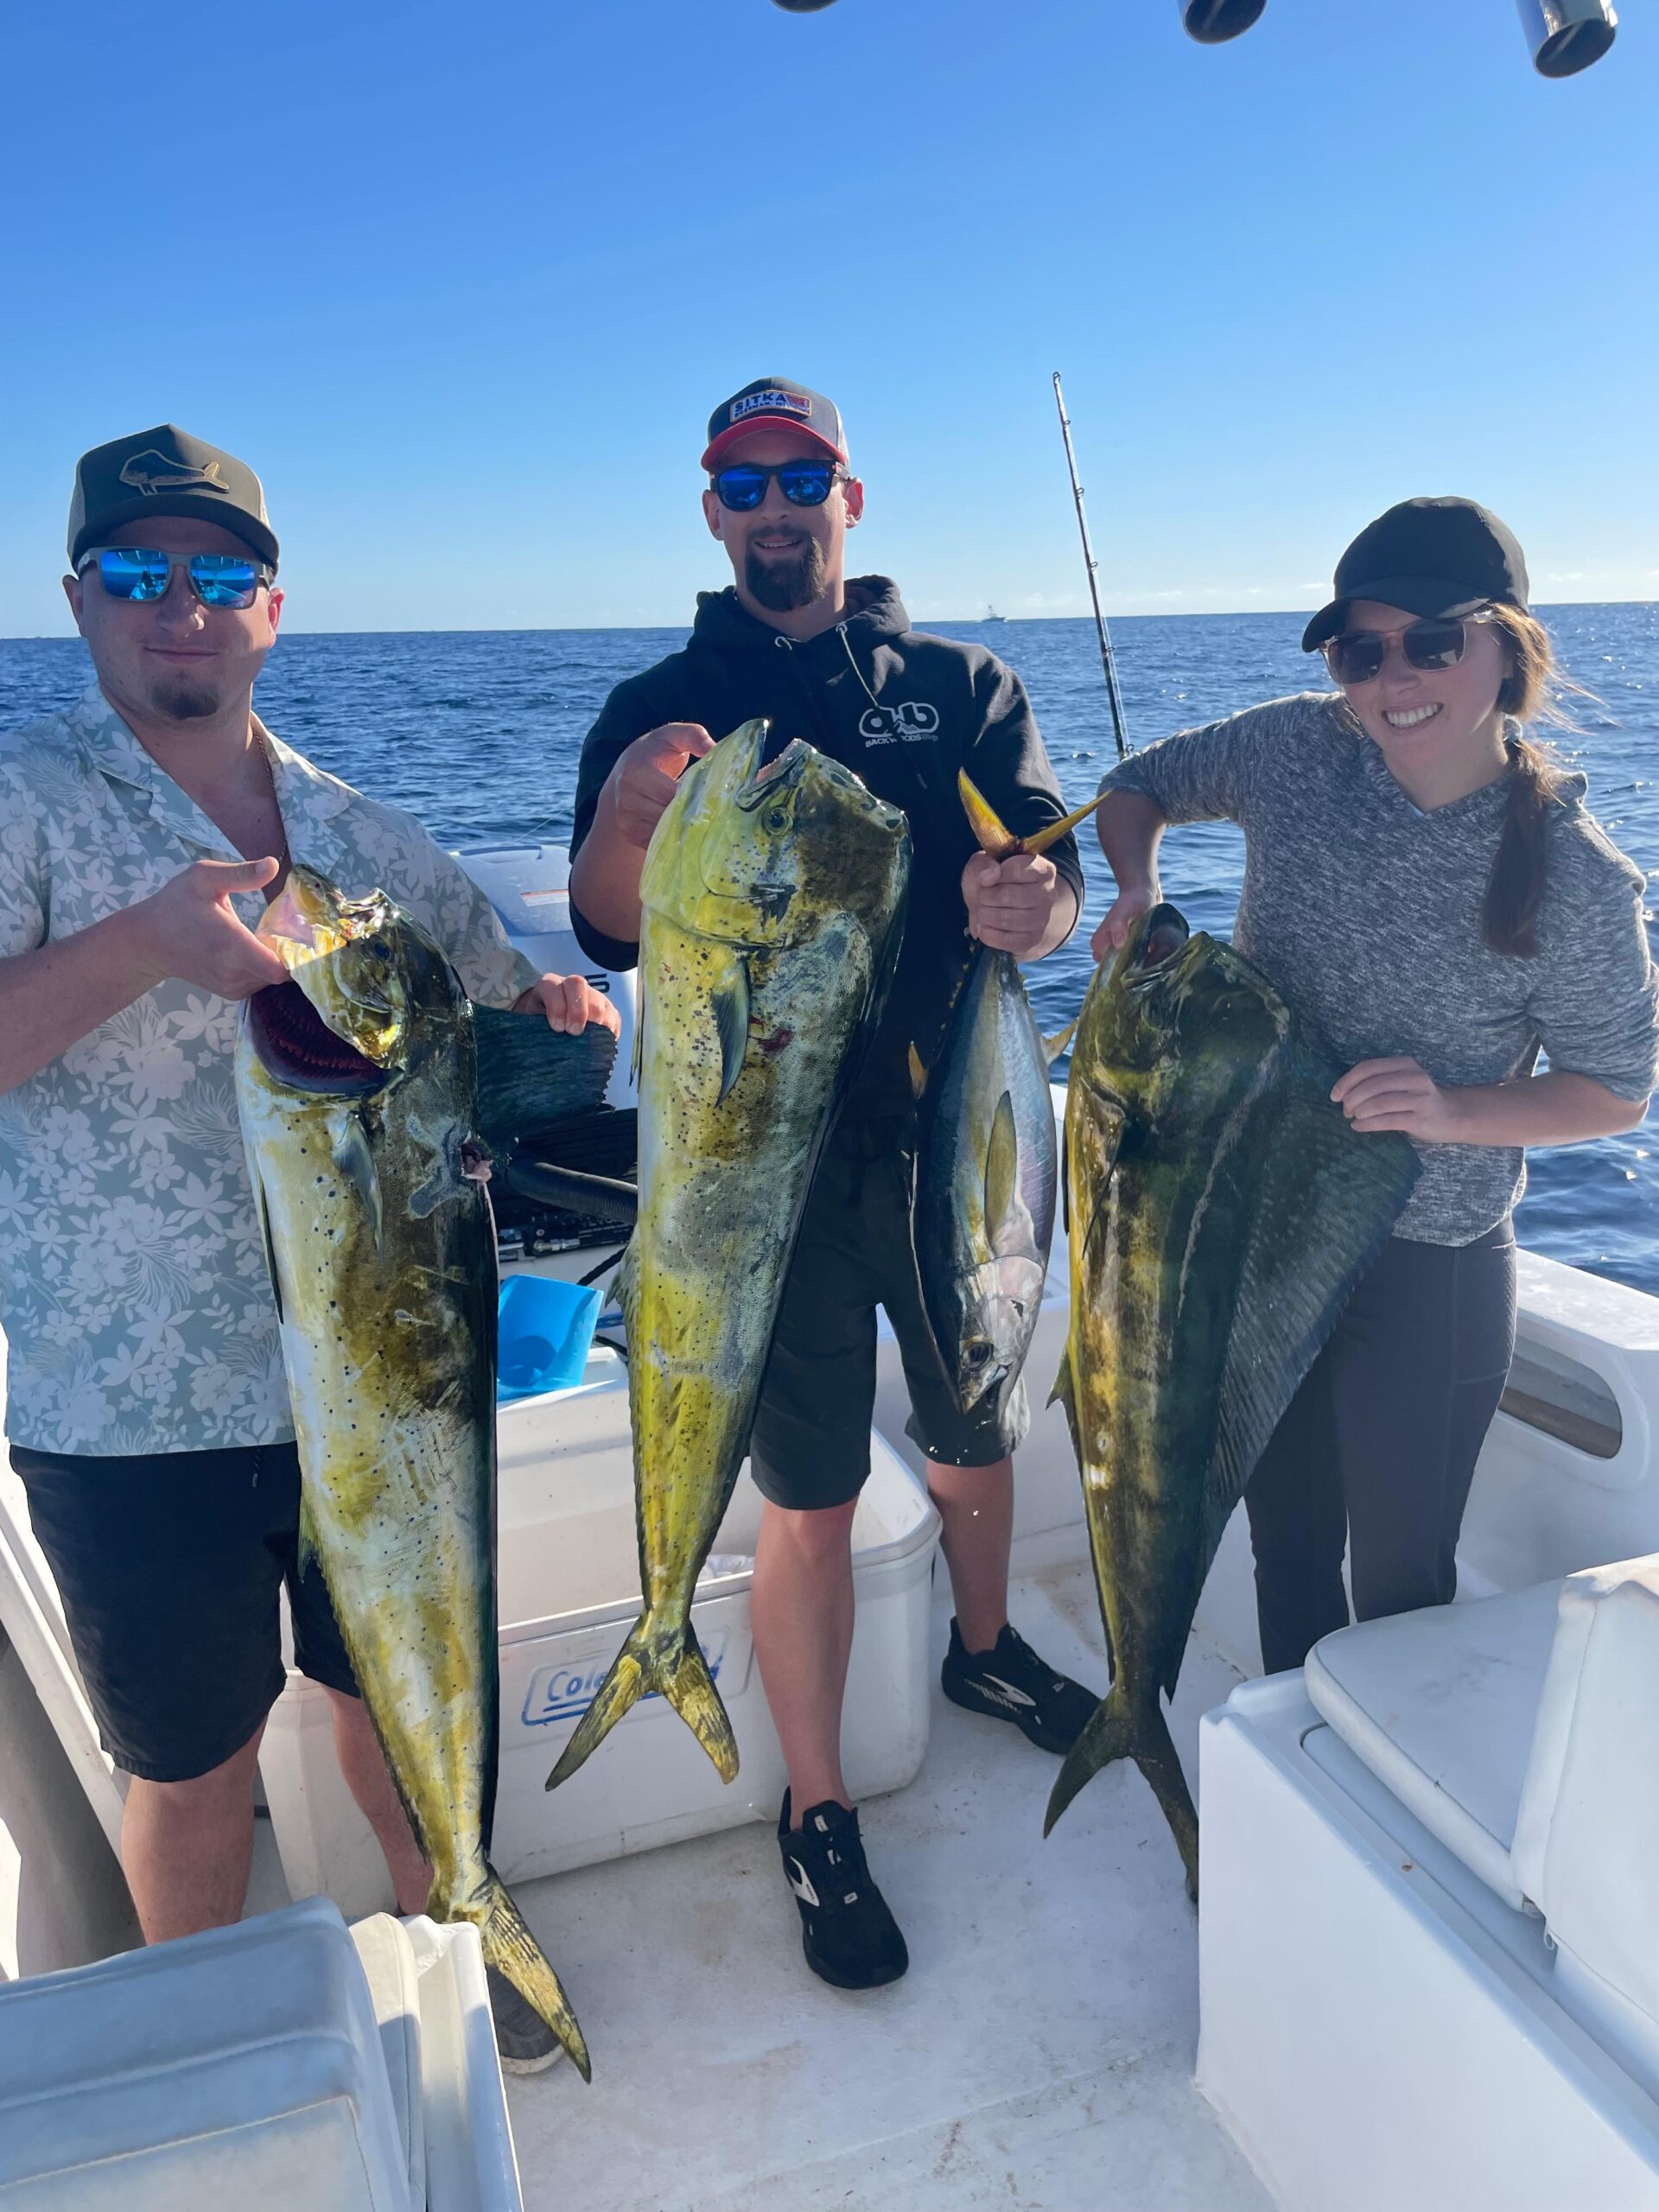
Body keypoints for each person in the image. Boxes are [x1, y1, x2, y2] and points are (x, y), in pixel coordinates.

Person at [0, 424, 617, 2074]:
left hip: (394, 1382)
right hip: (136, 1404)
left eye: (219, 572)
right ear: (78, 596)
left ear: (272, 607)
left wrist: (569, 1014)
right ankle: (208, 2054)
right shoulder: (21, 802)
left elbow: (510, 1012)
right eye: (139, 570)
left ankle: (462, 1929)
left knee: (401, 1701)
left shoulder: (372, 841)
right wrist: (142, 943)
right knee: (189, 1765)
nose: (181, 605)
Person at [568, 377, 1099, 1992]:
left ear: (849, 499)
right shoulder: (663, 702)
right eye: (744, 485)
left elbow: (1056, 877)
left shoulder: (961, 685)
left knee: (977, 1434)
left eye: (802, 479)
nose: (776, 510)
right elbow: (602, 925)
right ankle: (817, 1805)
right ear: (711, 514)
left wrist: (1037, 910)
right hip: (756, 1179)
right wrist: (626, 816)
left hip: (952, 1140)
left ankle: (985, 1652)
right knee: (804, 1498)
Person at [1091, 496, 1658, 1674]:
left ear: (1511, 649)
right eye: (1362, 651)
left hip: (1429, 1264)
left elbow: (1614, 1092)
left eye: (1434, 642)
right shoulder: (1297, 748)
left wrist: (1452, 1111)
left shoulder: (1578, 878)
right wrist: (1138, 883)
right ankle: (1286, 1765)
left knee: (1404, 1589)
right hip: (1260, 1236)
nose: (1395, 679)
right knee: (1287, 1554)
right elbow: (1137, 781)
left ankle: (1380, 1776)